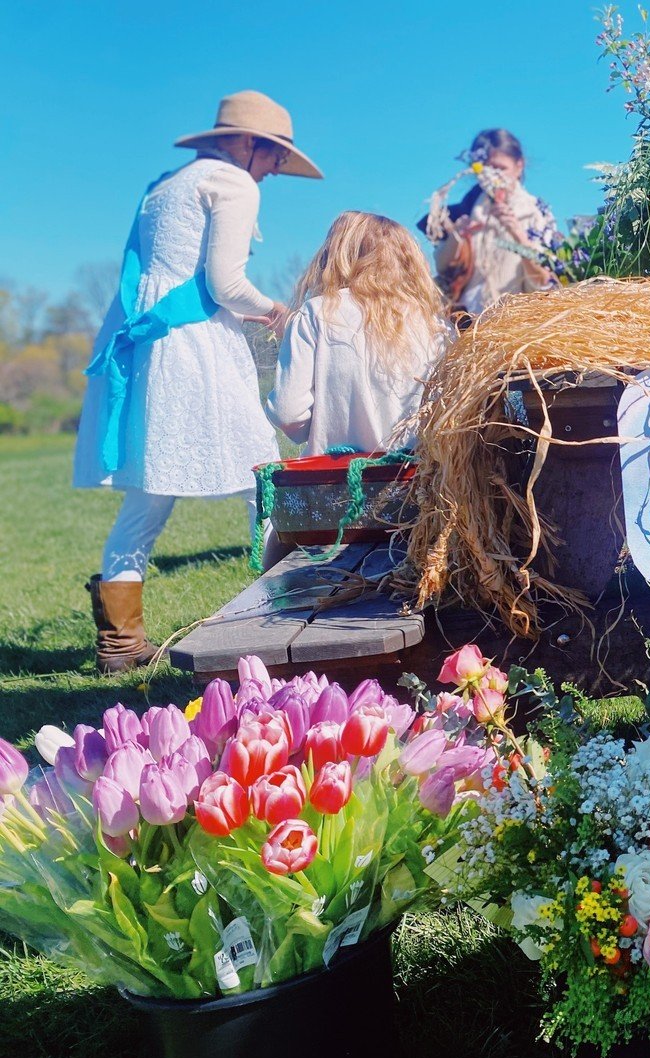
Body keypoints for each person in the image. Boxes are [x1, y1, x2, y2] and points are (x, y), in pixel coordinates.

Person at [73, 90, 322, 673]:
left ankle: (120, 643)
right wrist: (279, 311)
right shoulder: (235, 184)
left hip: (146, 343)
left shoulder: (166, 185)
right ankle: (287, 615)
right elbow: (227, 284)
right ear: (247, 144)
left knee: (149, 493)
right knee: (261, 477)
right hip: (192, 347)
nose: (276, 171)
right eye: (275, 157)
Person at [266, 211, 449, 456]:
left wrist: (323, 424)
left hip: (337, 484)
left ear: (335, 255)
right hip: (418, 483)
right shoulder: (437, 326)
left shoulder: (317, 312)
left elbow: (287, 412)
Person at [420, 128, 560, 318]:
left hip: (512, 322)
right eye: (486, 169)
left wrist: (519, 238)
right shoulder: (467, 208)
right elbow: (444, 268)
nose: (494, 177)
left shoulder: (536, 213)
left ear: (520, 166)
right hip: (464, 320)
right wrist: (457, 237)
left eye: (501, 169)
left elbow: (544, 283)